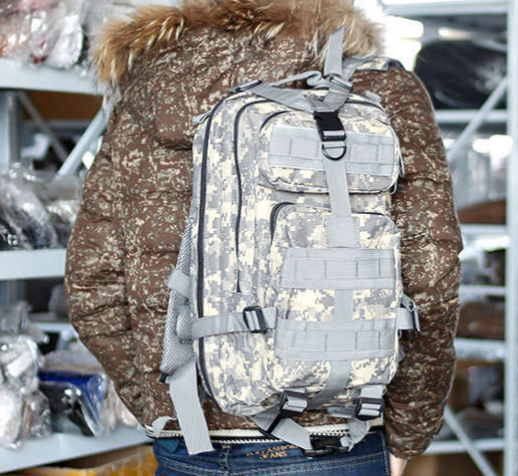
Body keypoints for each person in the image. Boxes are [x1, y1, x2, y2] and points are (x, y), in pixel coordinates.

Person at [65, 1, 463, 475]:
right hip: (334, 435)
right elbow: (431, 279)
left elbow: (92, 283)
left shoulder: (148, 88)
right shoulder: (379, 87)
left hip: (187, 442)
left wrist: (163, 401)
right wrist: (410, 430)